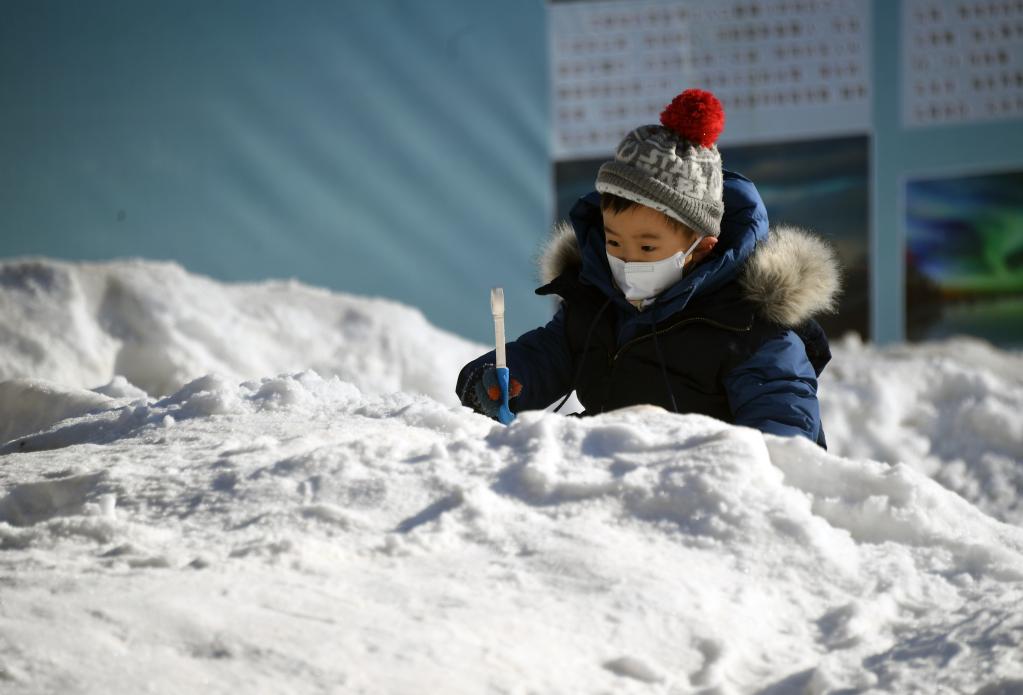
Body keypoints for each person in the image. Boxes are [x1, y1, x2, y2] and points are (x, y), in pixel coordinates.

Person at [456, 88, 840, 448]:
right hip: (611, 476)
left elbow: (784, 426)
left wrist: (755, 473)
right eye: (614, 242)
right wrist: (504, 378)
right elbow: (552, 353)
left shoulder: (749, 326)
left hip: (700, 492)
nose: (627, 260)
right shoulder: (598, 298)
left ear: (701, 247)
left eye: (647, 246)